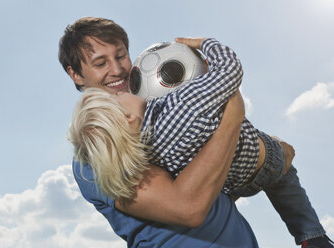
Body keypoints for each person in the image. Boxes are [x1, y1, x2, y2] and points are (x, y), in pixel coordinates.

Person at [61, 18, 334, 248]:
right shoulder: (96, 145)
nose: (117, 69)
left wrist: (262, 155)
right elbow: (188, 207)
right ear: (75, 74)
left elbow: (206, 180)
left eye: (120, 55)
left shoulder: (153, 113)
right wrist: (232, 118)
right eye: (100, 63)